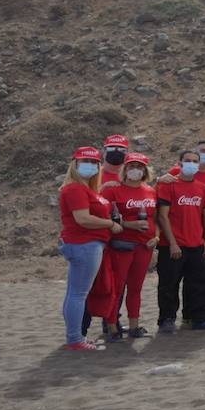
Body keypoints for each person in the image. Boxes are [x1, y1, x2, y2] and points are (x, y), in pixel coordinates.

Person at [58, 146, 123, 351]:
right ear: (74, 165)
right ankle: (76, 339)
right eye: (84, 162)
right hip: (84, 244)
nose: (90, 166)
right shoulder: (75, 189)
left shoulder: (86, 189)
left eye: (94, 162)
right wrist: (110, 224)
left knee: (75, 293)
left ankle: (75, 337)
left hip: (87, 244)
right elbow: (83, 219)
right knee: (78, 294)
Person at [154, 149, 205, 333]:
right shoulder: (168, 185)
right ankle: (167, 319)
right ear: (179, 163)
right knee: (169, 284)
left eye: (194, 161)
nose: (191, 164)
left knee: (198, 283)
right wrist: (172, 243)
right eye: (187, 160)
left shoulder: (202, 188)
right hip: (172, 246)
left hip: (195, 245)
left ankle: (196, 318)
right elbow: (163, 217)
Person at [101, 152, 158, 339]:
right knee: (116, 288)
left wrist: (156, 238)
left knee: (136, 288)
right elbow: (105, 217)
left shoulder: (150, 191)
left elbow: (156, 218)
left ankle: (134, 326)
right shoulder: (113, 190)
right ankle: (112, 328)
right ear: (125, 169)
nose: (136, 170)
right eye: (132, 166)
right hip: (122, 245)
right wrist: (127, 224)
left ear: (145, 170)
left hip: (145, 246)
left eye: (140, 167)